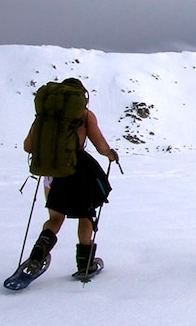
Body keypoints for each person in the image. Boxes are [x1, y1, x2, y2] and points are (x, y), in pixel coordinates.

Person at [22, 78, 118, 277]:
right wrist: (111, 155)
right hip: (78, 171)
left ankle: (37, 257)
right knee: (86, 214)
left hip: (51, 173)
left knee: (55, 218)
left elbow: (28, 146)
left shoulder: (44, 115)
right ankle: (85, 264)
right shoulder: (84, 115)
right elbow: (100, 146)